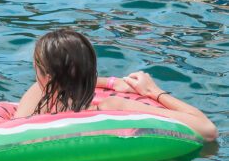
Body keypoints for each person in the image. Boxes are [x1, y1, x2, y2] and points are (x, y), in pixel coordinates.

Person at [15, 28, 218, 141]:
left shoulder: (33, 100)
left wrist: (111, 82)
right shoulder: (111, 108)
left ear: (43, 74)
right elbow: (207, 130)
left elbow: (63, 80)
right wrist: (153, 92)